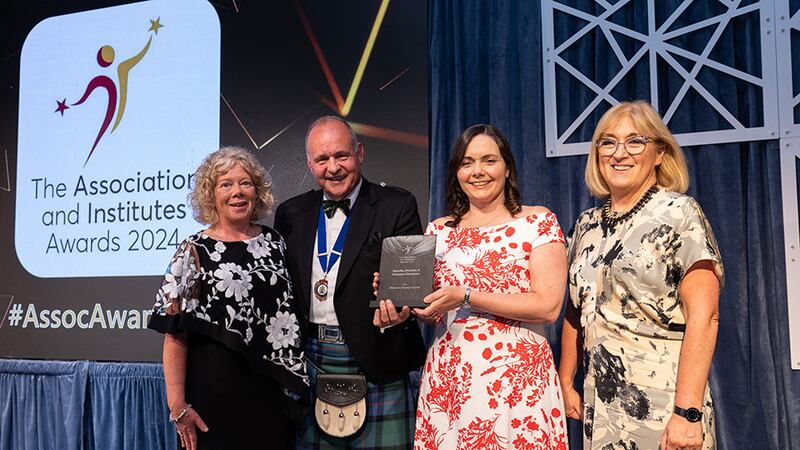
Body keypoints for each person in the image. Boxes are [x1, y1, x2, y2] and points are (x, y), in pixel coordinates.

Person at [375, 124, 569, 448]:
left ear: (507, 167)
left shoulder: (537, 221)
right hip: (451, 379)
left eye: (488, 160)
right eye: (467, 162)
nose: (477, 171)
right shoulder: (438, 229)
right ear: (456, 173)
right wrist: (398, 296)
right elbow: (432, 311)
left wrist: (465, 296)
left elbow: (547, 306)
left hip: (517, 379)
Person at [559, 100, 724, 450]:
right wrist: (565, 379)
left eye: (635, 141)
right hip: (599, 409)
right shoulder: (585, 224)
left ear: (660, 152)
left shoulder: (679, 213)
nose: (620, 153)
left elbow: (705, 316)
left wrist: (688, 412)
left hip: (665, 409)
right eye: (608, 142)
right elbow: (575, 309)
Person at [273, 116, 426, 449]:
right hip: (311, 359)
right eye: (322, 159)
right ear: (309, 164)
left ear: (359, 152)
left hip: (376, 356)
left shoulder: (397, 205)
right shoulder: (290, 213)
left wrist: (403, 311)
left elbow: (409, 289)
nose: (333, 167)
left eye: (341, 156)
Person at [149, 147, 308, 450]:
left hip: (270, 398)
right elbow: (174, 335)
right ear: (211, 195)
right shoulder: (194, 250)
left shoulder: (276, 243)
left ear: (257, 191)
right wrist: (178, 406)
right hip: (212, 400)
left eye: (245, 183)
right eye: (226, 184)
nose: (237, 192)